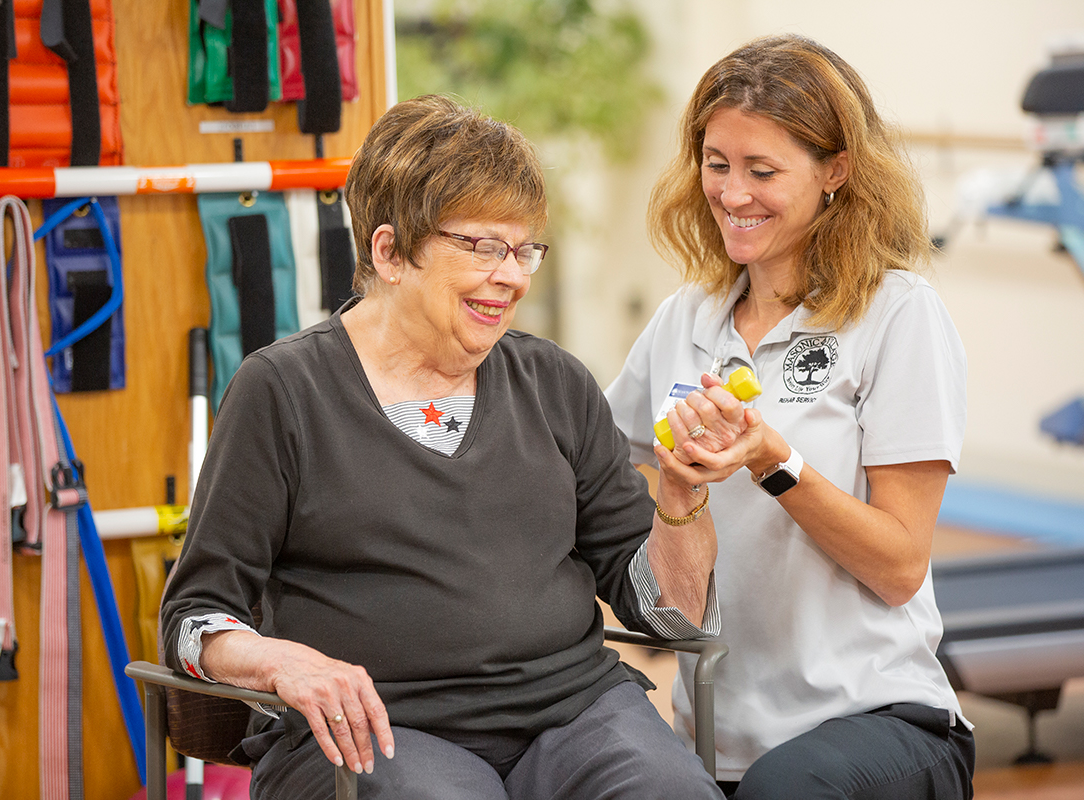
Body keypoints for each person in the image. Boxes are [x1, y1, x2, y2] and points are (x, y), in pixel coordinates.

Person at [161, 94, 729, 800]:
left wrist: (682, 497)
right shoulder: (282, 391)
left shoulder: (553, 381)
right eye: (484, 247)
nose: (514, 275)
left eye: (525, 249)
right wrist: (283, 665)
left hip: (575, 713)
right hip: (379, 731)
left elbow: (664, 612)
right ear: (391, 252)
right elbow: (195, 619)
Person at [604, 34, 974, 799]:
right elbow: (598, 463)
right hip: (717, 730)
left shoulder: (897, 315)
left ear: (835, 170)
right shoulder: (687, 318)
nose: (733, 193)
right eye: (717, 164)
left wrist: (775, 463)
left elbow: (901, 565)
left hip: (877, 716)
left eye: (762, 171)